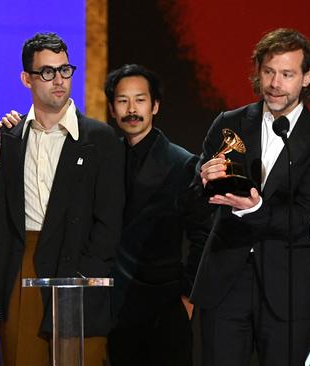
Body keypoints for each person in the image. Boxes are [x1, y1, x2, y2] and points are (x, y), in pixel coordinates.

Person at [191, 28, 310, 366]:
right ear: (258, 72)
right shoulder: (229, 124)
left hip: (284, 288)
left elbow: (301, 218)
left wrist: (255, 208)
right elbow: (193, 200)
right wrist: (203, 181)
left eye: (287, 74)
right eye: (268, 72)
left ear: (307, 77)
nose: (275, 83)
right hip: (224, 282)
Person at [0, 32, 124, 366]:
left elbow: (110, 217)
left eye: (65, 70)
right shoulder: (10, 137)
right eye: (47, 72)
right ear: (27, 79)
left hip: (79, 264)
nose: (59, 80)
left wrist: (89, 272)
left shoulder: (100, 138)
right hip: (24, 264)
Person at [103, 64, 212, 365]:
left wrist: (188, 300)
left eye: (140, 100)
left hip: (166, 308)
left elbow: (203, 235)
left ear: (155, 105)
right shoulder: (104, 159)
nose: (131, 109)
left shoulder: (183, 163)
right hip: (115, 309)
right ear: (112, 109)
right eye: (123, 101)